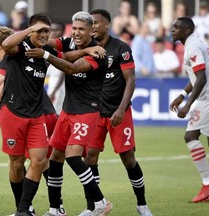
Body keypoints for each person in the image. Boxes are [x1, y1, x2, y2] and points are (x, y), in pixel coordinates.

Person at [25, 11, 112, 216]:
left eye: (81, 29)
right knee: (55, 157)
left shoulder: (99, 54)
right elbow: (50, 43)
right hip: (67, 111)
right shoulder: (69, 42)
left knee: (73, 156)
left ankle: (100, 202)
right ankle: (56, 209)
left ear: (92, 30)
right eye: (74, 28)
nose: (77, 33)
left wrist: (46, 55)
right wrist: (38, 35)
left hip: (87, 111)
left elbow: (72, 68)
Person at [73, 9, 152, 216]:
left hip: (118, 112)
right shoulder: (87, 49)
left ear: (106, 25)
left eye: (96, 23)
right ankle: (94, 206)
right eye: (90, 23)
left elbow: (131, 80)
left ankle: (142, 204)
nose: (93, 27)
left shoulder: (120, 48)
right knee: (90, 157)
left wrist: (121, 108)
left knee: (128, 159)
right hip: (94, 112)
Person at [0, 13, 65, 216]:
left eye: (47, 30)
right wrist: (29, 30)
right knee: (17, 163)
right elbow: (6, 44)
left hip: (36, 115)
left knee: (39, 160)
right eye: (40, 30)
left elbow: (67, 60)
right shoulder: (21, 47)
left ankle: (22, 211)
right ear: (31, 30)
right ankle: (24, 207)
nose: (44, 34)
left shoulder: (46, 51)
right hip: (13, 113)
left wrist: (88, 50)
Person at [170, 17, 209, 203]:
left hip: (206, 98)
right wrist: (182, 95)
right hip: (205, 97)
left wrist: (187, 105)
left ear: (187, 30)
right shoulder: (192, 44)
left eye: (176, 27)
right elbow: (196, 75)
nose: (172, 29)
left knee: (190, 136)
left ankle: (207, 184)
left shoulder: (193, 46)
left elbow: (201, 79)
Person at [46, 22, 66, 115]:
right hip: (49, 84)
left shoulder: (65, 47)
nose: (53, 33)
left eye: (56, 30)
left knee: (58, 113)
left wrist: (54, 91)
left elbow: (63, 72)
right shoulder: (47, 47)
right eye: (51, 30)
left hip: (61, 86)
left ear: (63, 31)